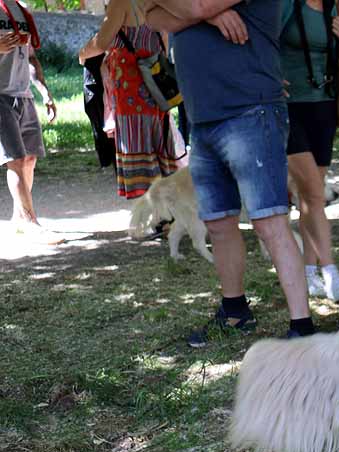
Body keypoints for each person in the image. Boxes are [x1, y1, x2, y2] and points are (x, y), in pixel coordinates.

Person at [141, 0, 314, 346]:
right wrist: (209, 14)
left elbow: (193, 6)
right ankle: (235, 312)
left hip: (251, 110)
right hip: (204, 118)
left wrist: (199, 11)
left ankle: (303, 328)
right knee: (219, 223)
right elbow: (150, 15)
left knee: (268, 222)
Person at [279, 0, 339, 301]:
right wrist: (270, 74)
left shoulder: (334, 5)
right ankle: (330, 272)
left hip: (324, 105)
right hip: (288, 107)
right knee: (312, 192)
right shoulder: (284, 4)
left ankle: (309, 273)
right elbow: (262, 40)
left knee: (310, 195)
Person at [78, 0, 183, 199]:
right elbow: (164, 45)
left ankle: (154, 215)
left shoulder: (122, 3)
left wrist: (82, 54)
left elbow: (101, 42)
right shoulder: (159, 3)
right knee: (158, 150)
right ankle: (167, 213)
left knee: (139, 150)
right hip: (157, 94)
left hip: (131, 94)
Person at [0, 0, 56, 237]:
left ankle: (18, 218)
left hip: (24, 95)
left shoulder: (22, 11)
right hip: (1, 95)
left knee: (30, 159)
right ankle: (32, 223)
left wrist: (44, 92)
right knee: (16, 159)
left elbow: (31, 57)